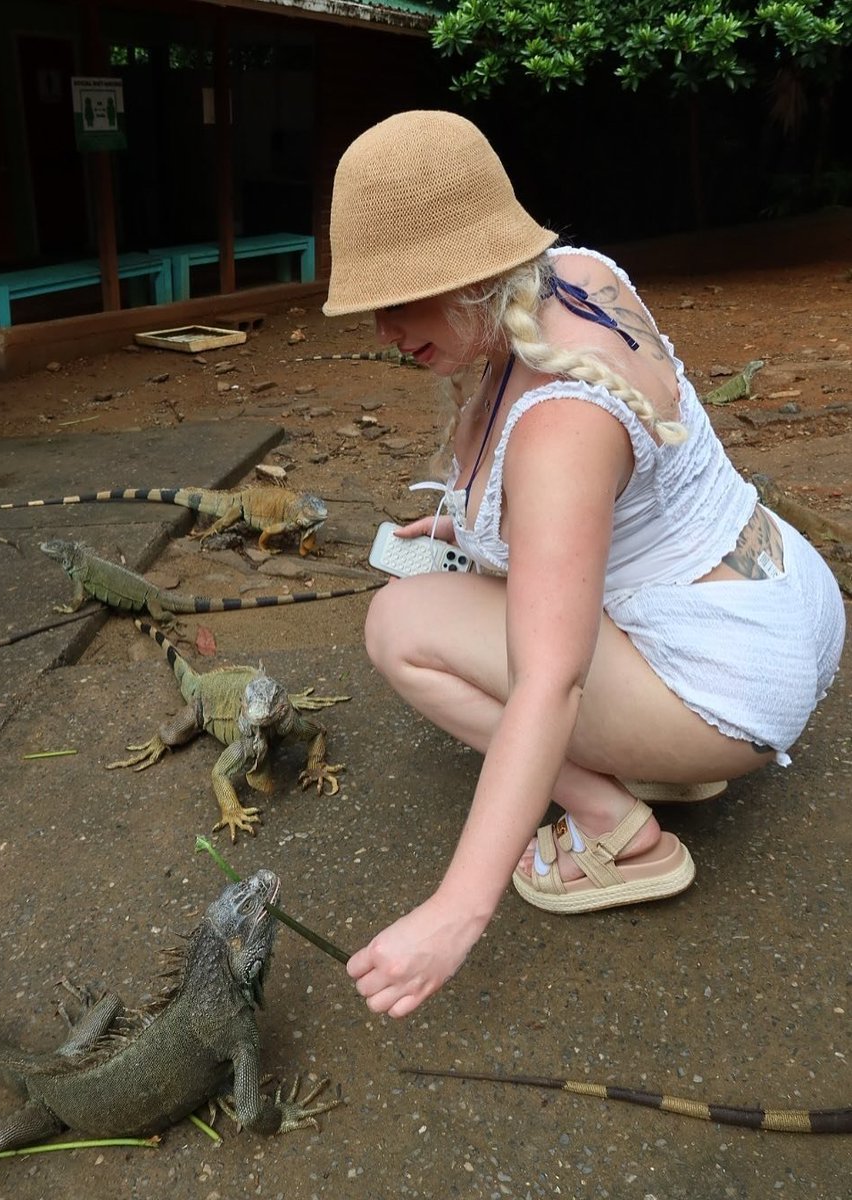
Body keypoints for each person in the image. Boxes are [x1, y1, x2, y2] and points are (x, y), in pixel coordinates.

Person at [322, 110, 846, 1020]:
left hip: (725, 681)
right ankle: (664, 753)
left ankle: (621, 832)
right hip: (778, 590)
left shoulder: (560, 427)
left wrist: (456, 911)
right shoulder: (578, 275)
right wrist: (462, 523)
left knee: (399, 626)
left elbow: (548, 684)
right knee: (447, 584)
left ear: (476, 273)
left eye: (403, 299)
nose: (383, 329)